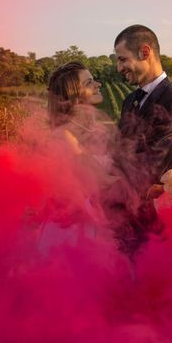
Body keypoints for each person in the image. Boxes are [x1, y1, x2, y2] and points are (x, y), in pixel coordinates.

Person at [112, 24, 172, 255]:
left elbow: (151, 166)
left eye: (122, 59)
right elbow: (118, 150)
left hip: (151, 222)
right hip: (121, 217)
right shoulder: (129, 100)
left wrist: (102, 176)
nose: (119, 67)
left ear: (144, 52)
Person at [36, 61, 118, 255]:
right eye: (89, 82)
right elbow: (103, 181)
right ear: (74, 95)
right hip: (73, 231)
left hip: (99, 222)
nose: (98, 84)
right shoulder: (64, 137)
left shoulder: (97, 129)